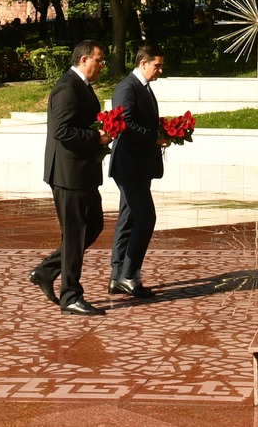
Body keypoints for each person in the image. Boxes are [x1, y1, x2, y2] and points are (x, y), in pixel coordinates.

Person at [28, 40, 107, 316]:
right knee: (75, 235)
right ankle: (71, 296)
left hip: (83, 173)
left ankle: (46, 270)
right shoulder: (67, 87)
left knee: (93, 226)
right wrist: (96, 136)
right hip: (69, 174)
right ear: (84, 60)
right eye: (99, 60)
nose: (102, 65)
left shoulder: (81, 86)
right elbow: (62, 131)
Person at [107, 44, 168, 297]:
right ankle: (129, 276)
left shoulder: (143, 88)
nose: (160, 70)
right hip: (129, 165)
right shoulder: (127, 87)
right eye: (157, 65)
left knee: (129, 219)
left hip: (138, 166)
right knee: (145, 218)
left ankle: (117, 276)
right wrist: (153, 137)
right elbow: (126, 123)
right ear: (143, 63)